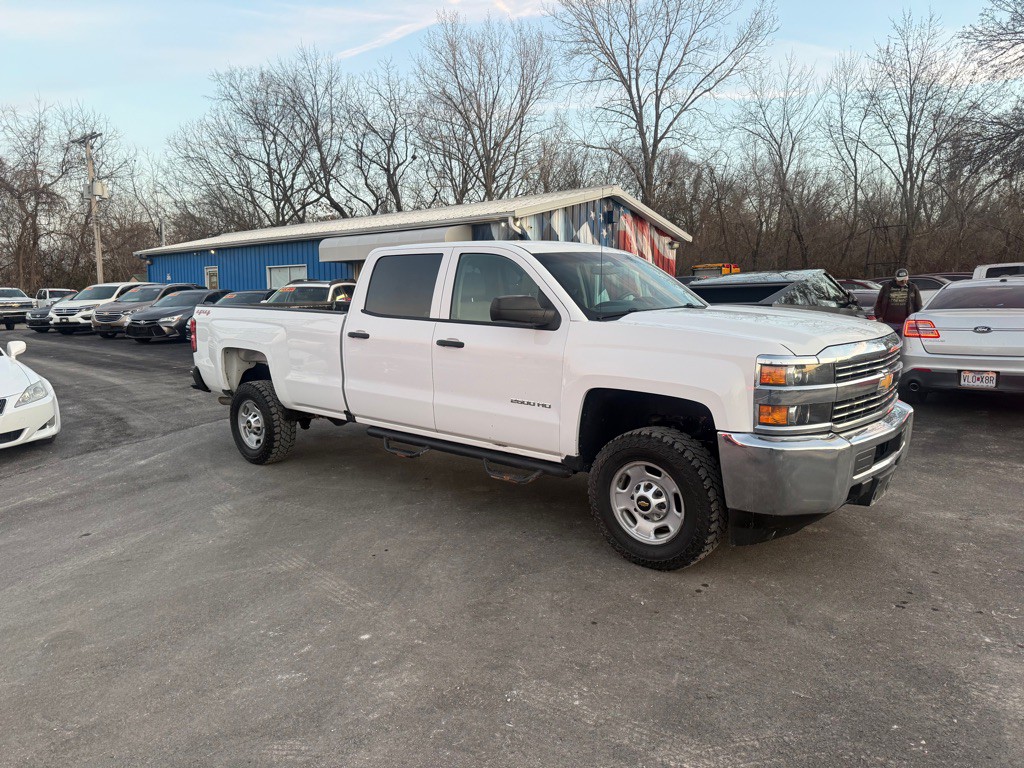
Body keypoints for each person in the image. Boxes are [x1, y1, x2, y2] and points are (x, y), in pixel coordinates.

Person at [874, 268, 922, 334]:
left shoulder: (912, 287)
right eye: (901, 280)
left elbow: (918, 305)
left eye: (905, 280)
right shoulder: (887, 287)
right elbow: (878, 303)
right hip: (888, 323)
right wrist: (878, 316)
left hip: (906, 323)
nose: (903, 282)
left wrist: (917, 318)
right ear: (896, 278)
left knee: (905, 343)